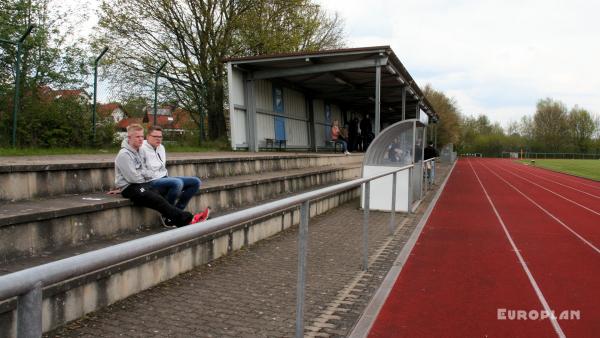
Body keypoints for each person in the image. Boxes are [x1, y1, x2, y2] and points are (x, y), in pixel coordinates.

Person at [114, 124, 209, 227]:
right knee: (158, 200)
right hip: (130, 187)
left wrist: (144, 174)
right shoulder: (124, 154)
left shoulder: (139, 151)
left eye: (141, 136)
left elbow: (147, 171)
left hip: (142, 183)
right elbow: (133, 178)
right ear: (129, 137)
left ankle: (176, 219)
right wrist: (145, 175)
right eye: (137, 137)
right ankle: (188, 219)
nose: (141, 139)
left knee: (160, 198)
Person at [142, 126, 206, 218]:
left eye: (160, 137)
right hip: (151, 181)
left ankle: (178, 211)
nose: (158, 139)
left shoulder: (161, 148)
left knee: (196, 182)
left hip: (164, 178)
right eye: (155, 136)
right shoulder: (141, 148)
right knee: (177, 183)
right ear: (147, 136)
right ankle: (168, 214)